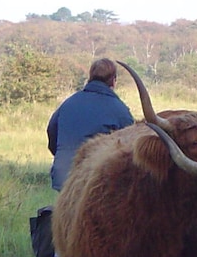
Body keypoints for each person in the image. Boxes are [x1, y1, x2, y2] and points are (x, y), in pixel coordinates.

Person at [46, 58, 134, 191]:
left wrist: (61, 157)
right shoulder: (120, 110)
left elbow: (52, 132)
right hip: (96, 182)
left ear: (90, 77)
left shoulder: (68, 104)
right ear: (113, 81)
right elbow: (130, 149)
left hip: (63, 176)